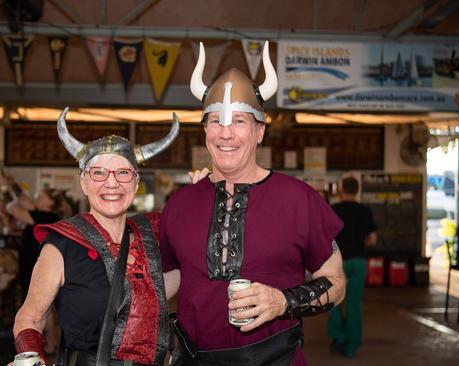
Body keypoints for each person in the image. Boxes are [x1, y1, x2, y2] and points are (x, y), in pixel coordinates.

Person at [159, 41, 346, 366]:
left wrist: (283, 301)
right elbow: (171, 278)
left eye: (239, 122)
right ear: (204, 130)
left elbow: (337, 283)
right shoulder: (179, 203)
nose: (225, 134)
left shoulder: (299, 199)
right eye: (215, 121)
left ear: (260, 131)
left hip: (275, 359)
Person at [12, 107, 179, 365]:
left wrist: (206, 188)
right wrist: (30, 356)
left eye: (123, 173)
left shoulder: (153, 237)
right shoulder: (63, 244)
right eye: (98, 172)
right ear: (83, 182)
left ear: (135, 183)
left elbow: (191, 267)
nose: (111, 183)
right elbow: (31, 317)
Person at [327, 176, 377, 358]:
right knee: (353, 305)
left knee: (335, 301)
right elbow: (372, 239)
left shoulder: (334, 210)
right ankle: (352, 347)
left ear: (341, 190)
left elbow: (326, 238)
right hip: (358, 262)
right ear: (357, 190)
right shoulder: (365, 210)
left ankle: (338, 337)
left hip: (337, 262)